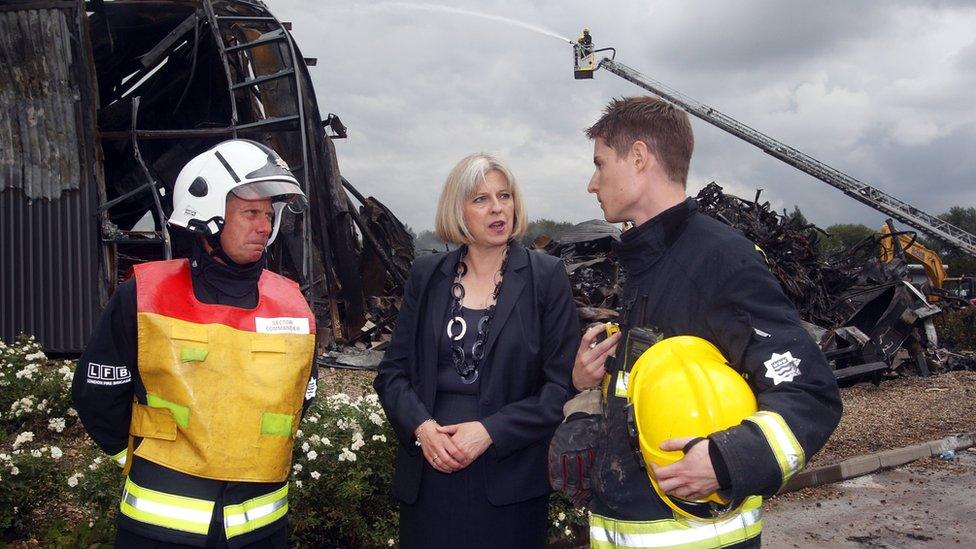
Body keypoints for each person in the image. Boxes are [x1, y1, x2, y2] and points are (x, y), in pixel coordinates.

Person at [572, 97, 843, 548]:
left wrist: (728, 459)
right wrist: (587, 379)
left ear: (639, 158)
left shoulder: (720, 260)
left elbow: (810, 394)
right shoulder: (647, 261)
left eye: (600, 165)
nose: (592, 183)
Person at [73, 139, 316, 548]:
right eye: (251, 212)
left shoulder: (292, 302)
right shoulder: (145, 295)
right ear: (207, 215)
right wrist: (146, 462)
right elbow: (97, 395)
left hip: (260, 528)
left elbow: (301, 397)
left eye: (269, 214)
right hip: (159, 528)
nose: (265, 226)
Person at [373, 153, 580, 548]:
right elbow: (392, 374)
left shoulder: (545, 277)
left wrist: (490, 431)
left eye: (505, 195)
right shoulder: (426, 275)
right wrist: (422, 428)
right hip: (430, 477)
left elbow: (559, 387)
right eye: (481, 199)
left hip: (510, 483)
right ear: (458, 209)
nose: (497, 207)